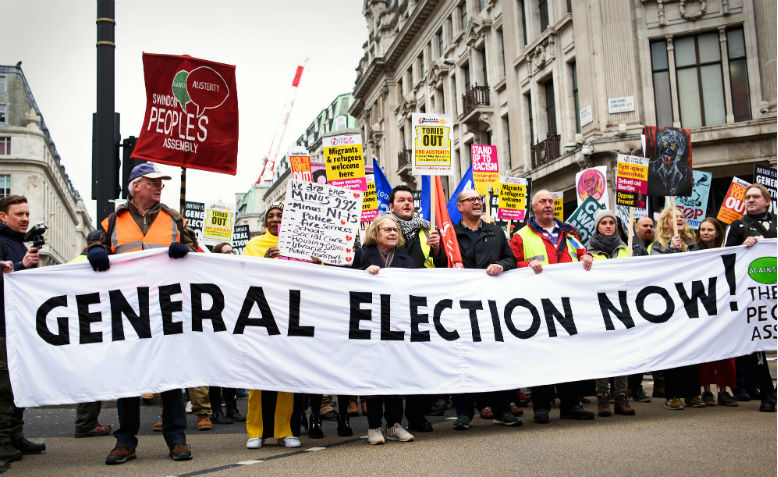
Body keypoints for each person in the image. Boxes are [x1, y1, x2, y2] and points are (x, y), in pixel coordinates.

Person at [87, 163, 194, 464]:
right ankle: (125, 441)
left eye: (161, 183)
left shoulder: (174, 218)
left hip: (165, 309)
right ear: (136, 186)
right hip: (128, 309)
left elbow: (194, 249)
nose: (159, 186)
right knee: (128, 376)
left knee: (170, 375)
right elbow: (94, 243)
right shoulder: (113, 220)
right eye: (153, 182)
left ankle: (177, 439)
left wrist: (184, 251)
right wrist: (95, 250)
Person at [510, 189, 595, 424]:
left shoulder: (569, 232)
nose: (548, 205)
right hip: (538, 305)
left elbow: (581, 254)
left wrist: (587, 255)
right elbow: (513, 264)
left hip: (567, 305)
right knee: (541, 355)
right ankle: (541, 405)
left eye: (551, 202)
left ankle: (571, 404)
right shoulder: (521, 236)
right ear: (534, 208)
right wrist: (527, 263)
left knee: (569, 353)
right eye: (543, 202)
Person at [452, 189, 521, 430]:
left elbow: (511, 259)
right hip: (462, 306)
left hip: (492, 306)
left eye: (478, 199)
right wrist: (439, 250)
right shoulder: (451, 234)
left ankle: (502, 409)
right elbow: (441, 266)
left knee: (495, 357)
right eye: (471, 200)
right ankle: (464, 412)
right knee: (464, 357)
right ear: (460, 206)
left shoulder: (496, 232)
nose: (477, 202)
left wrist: (500, 265)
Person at [243, 202, 304, 449]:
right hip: (261, 317)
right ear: (264, 221)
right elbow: (244, 277)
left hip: (291, 316)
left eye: (281, 215)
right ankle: (255, 431)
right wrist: (265, 264)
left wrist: (314, 260)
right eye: (271, 216)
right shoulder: (253, 246)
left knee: (286, 375)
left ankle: (285, 430)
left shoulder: (300, 243)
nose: (276, 219)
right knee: (258, 377)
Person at [352, 215, 417, 445]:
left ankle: (394, 424)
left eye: (395, 229)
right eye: (387, 229)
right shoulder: (361, 256)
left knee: (396, 376)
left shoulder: (406, 261)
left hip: (397, 326)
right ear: (375, 233)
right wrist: (362, 273)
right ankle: (373, 426)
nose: (393, 233)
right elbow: (344, 280)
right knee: (373, 375)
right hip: (370, 325)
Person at [387, 184, 447, 432]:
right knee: (396, 363)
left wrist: (437, 248)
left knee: (420, 361)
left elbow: (440, 265)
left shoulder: (426, 229)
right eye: (401, 200)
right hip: (395, 304)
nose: (407, 203)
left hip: (422, 304)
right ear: (392, 206)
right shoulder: (385, 229)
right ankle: (393, 419)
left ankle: (417, 415)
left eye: (410, 199)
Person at [0, 195, 46, 461]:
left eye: (27, 214)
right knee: (4, 385)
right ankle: (3, 439)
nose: (25, 219)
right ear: (3, 217)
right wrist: (20, 266)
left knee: (17, 383)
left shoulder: (18, 243)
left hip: (17, 326)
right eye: (19, 214)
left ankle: (15, 436)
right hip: (3, 327)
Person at [723, 183, 776, 412]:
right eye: (748, 197)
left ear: (767, 200)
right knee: (758, 345)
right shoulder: (738, 226)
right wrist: (743, 248)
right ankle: (767, 393)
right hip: (755, 295)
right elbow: (725, 257)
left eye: (756, 197)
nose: (751, 200)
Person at [650, 206, 705, 410]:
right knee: (675, 348)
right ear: (666, 222)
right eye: (675, 217)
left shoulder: (692, 243)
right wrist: (671, 250)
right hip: (670, 303)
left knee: (692, 347)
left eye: (682, 216)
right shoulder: (658, 245)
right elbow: (657, 269)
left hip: (691, 300)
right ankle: (673, 394)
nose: (680, 219)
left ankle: (693, 393)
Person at [587, 210, 636, 417]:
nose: (608, 226)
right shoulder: (588, 252)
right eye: (604, 223)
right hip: (598, 309)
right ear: (597, 226)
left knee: (622, 352)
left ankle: (622, 396)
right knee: (602, 352)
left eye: (611, 223)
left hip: (622, 307)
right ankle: (603, 397)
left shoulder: (628, 249)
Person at [68, 240, 113, 439]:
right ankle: (86, 423)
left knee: (90, 375)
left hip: (81, 328)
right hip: (94, 327)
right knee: (93, 377)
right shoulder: (105, 262)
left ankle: (87, 421)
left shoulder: (72, 263)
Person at [693, 218, 739, 407]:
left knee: (725, 351)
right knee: (704, 350)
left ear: (717, 232)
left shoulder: (728, 250)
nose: (705, 233)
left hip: (723, 305)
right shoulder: (692, 252)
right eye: (702, 229)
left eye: (709, 229)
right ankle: (706, 391)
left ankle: (723, 390)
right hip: (701, 306)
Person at [207, 242, 246, 426]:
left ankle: (232, 408)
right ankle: (216, 411)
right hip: (216, 327)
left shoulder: (237, 274)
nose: (231, 254)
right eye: (226, 252)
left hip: (232, 326)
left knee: (230, 369)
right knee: (216, 370)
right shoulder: (211, 275)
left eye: (232, 251)